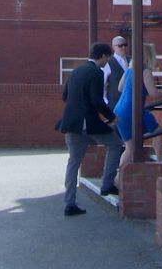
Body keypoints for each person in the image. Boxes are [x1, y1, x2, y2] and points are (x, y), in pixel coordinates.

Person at [56, 42, 123, 216]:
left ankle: (69, 202)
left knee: (73, 162)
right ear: (102, 56)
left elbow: (65, 96)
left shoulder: (75, 71)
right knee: (115, 144)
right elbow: (97, 100)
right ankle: (107, 183)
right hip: (88, 122)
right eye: (107, 58)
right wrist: (112, 117)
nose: (106, 62)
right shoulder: (96, 72)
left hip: (71, 122)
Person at [113, 43, 162, 182]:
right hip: (134, 109)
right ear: (149, 56)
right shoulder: (144, 71)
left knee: (129, 147)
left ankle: (118, 177)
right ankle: (161, 165)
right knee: (157, 132)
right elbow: (154, 94)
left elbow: (120, 88)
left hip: (120, 109)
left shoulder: (129, 70)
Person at [102, 36, 129, 108]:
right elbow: (103, 84)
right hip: (114, 103)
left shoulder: (131, 60)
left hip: (130, 102)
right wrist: (105, 101)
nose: (123, 47)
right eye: (120, 46)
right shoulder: (108, 62)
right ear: (113, 47)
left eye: (125, 45)